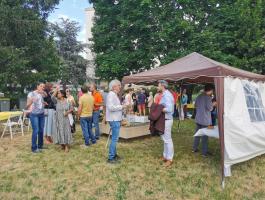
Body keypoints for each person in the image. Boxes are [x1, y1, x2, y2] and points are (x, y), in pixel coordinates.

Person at [192, 84, 217, 157]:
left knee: (197, 134)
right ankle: (204, 153)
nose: (213, 92)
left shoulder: (199, 96)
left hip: (198, 119)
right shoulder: (208, 98)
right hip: (205, 120)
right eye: (212, 90)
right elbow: (210, 109)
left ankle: (194, 148)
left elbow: (195, 105)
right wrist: (214, 104)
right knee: (205, 137)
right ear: (211, 90)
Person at [106, 79, 125, 164]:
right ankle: (111, 158)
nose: (120, 87)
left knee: (115, 138)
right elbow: (110, 107)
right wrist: (122, 106)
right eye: (119, 85)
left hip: (115, 119)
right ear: (114, 86)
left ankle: (114, 154)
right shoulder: (111, 95)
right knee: (114, 138)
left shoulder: (113, 94)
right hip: (114, 119)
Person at [158, 80, 175, 167]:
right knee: (165, 139)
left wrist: (159, 109)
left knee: (168, 140)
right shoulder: (165, 94)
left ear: (162, 86)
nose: (158, 87)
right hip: (165, 119)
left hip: (167, 119)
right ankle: (165, 156)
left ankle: (170, 159)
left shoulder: (167, 95)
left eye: (158, 85)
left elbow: (169, 109)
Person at [26, 83, 46, 153]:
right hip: (34, 115)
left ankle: (40, 146)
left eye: (43, 87)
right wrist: (32, 100)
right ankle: (34, 148)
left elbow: (45, 96)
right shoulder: (31, 94)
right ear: (37, 86)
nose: (42, 87)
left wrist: (44, 102)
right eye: (41, 86)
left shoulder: (42, 94)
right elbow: (27, 105)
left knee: (41, 130)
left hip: (41, 114)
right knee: (36, 130)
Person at [52, 88, 73, 152]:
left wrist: (67, 112)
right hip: (58, 119)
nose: (58, 94)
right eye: (58, 93)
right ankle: (62, 144)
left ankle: (66, 145)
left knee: (66, 131)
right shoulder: (56, 101)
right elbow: (52, 97)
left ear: (63, 94)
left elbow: (72, 109)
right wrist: (56, 90)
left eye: (59, 93)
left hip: (66, 119)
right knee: (60, 131)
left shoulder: (67, 101)